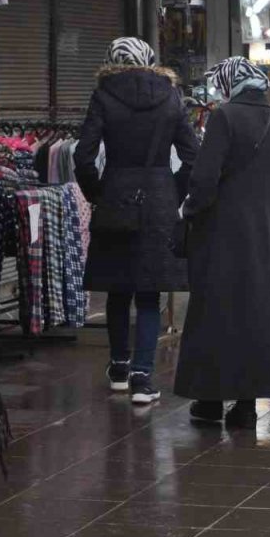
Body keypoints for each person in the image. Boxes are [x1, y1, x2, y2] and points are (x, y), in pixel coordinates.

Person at [174, 57, 270, 428]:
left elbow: (204, 180)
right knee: (257, 315)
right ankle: (246, 405)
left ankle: (209, 401)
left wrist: (190, 213)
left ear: (228, 84)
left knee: (216, 314)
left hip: (221, 235)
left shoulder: (224, 118)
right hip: (266, 239)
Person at [75, 38, 197, 405]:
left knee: (117, 287)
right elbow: (193, 156)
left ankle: (118, 367)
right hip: (159, 198)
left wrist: (98, 193)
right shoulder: (171, 96)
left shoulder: (103, 95)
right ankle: (143, 377)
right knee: (149, 291)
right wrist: (173, 190)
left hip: (116, 194)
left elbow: (83, 156)